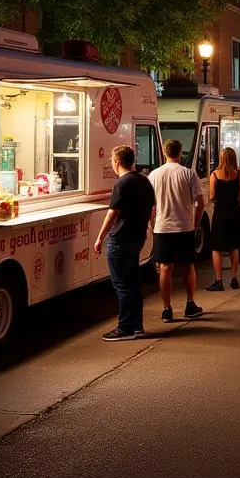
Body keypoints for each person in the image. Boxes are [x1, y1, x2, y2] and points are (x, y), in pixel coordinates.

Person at [93, 144, 156, 340]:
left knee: (122, 285)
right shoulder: (144, 181)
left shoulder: (122, 183)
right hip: (137, 238)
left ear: (117, 161)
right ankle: (137, 325)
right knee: (133, 283)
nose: (111, 164)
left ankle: (124, 328)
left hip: (121, 238)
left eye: (112, 160)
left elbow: (113, 213)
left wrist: (100, 237)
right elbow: (152, 209)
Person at [149, 138, 205, 323]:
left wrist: (152, 223)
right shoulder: (189, 174)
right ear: (181, 153)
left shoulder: (154, 175)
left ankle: (167, 309)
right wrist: (195, 224)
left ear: (165, 152)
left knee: (165, 268)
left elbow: (151, 206)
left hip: (162, 227)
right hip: (184, 226)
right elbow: (200, 203)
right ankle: (190, 304)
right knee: (188, 266)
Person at [206, 146, 240, 291]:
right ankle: (234, 279)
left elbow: (211, 196)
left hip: (220, 212)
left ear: (221, 159)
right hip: (235, 211)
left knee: (216, 247)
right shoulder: (239, 174)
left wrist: (217, 200)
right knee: (234, 246)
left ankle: (218, 280)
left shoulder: (214, 175)